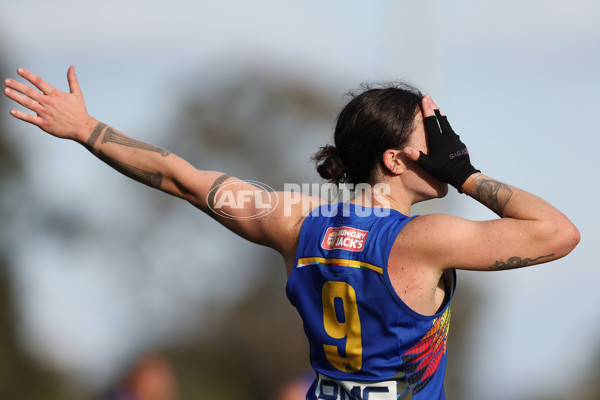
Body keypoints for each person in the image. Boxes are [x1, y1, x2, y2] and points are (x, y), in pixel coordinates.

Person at [3, 67, 579, 400]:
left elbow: (179, 177)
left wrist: (85, 129)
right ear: (396, 160)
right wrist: (468, 174)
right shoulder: (428, 241)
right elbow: (557, 234)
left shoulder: (294, 221)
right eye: (435, 140)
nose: (447, 147)